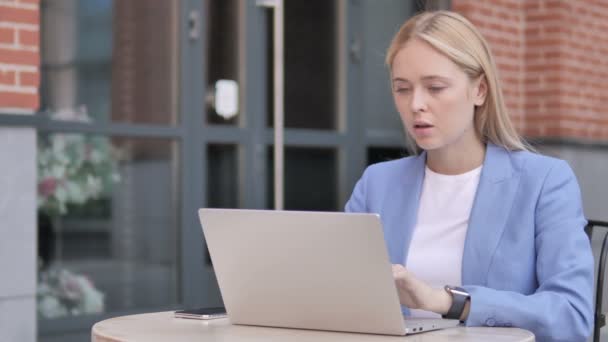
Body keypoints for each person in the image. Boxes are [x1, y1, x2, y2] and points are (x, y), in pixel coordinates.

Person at [345, 10, 593, 342]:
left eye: (435, 87)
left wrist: (448, 302)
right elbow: (341, 291)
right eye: (402, 89)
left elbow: (572, 316)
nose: (416, 104)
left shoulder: (544, 181)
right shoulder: (377, 183)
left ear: (480, 90)